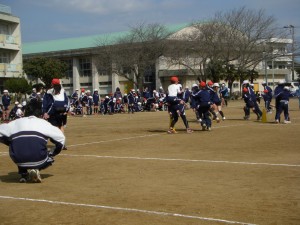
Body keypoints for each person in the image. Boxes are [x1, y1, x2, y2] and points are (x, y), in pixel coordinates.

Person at [0, 103, 65, 183]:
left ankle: (23, 175)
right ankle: (35, 169)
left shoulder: (15, 122)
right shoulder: (44, 123)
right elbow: (61, 139)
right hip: (38, 159)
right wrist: (52, 153)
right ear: (40, 114)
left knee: (21, 148)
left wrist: (10, 143)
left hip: (18, 159)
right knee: (49, 158)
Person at [42, 78, 69, 148]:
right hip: (62, 112)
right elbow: (67, 101)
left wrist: (45, 112)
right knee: (61, 127)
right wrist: (66, 110)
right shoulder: (63, 90)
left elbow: (46, 103)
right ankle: (62, 143)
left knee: (54, 128)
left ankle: (59, 143)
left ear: (52, 84)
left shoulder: (49, 92)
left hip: (53, 112)